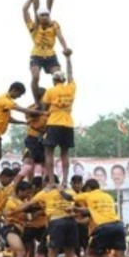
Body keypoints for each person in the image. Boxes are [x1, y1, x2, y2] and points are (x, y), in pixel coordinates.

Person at [0, 82, 40, 175]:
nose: (19, 97)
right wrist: (40, 113)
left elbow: (9, 119)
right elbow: (21, 109)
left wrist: (24, 123)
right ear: (14, 90)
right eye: (19, 94)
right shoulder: (4, 100)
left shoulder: (7, 100)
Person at [41, 50, 77, 187]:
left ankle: (51, 181)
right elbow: (70, 74)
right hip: (68, 123)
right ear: (63, 80)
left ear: (54, 80)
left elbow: (44, 107)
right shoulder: (71, 88)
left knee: (49, 152)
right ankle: (64, 181)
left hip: (54, 122)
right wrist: (68, 59)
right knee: (65, 153)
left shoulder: (50, 91)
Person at [22, 3, 70, 100]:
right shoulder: (33, 26)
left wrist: (65, 48)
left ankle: (57, 98)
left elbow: (60, 37)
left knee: (59, 76)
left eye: (47, 15)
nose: (45, 17)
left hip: (51, 55)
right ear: (38, 17)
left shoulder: (54, 25)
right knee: (35, 76)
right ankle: (37, 101)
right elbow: (25, 10)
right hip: (36, 55)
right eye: (42, 15)